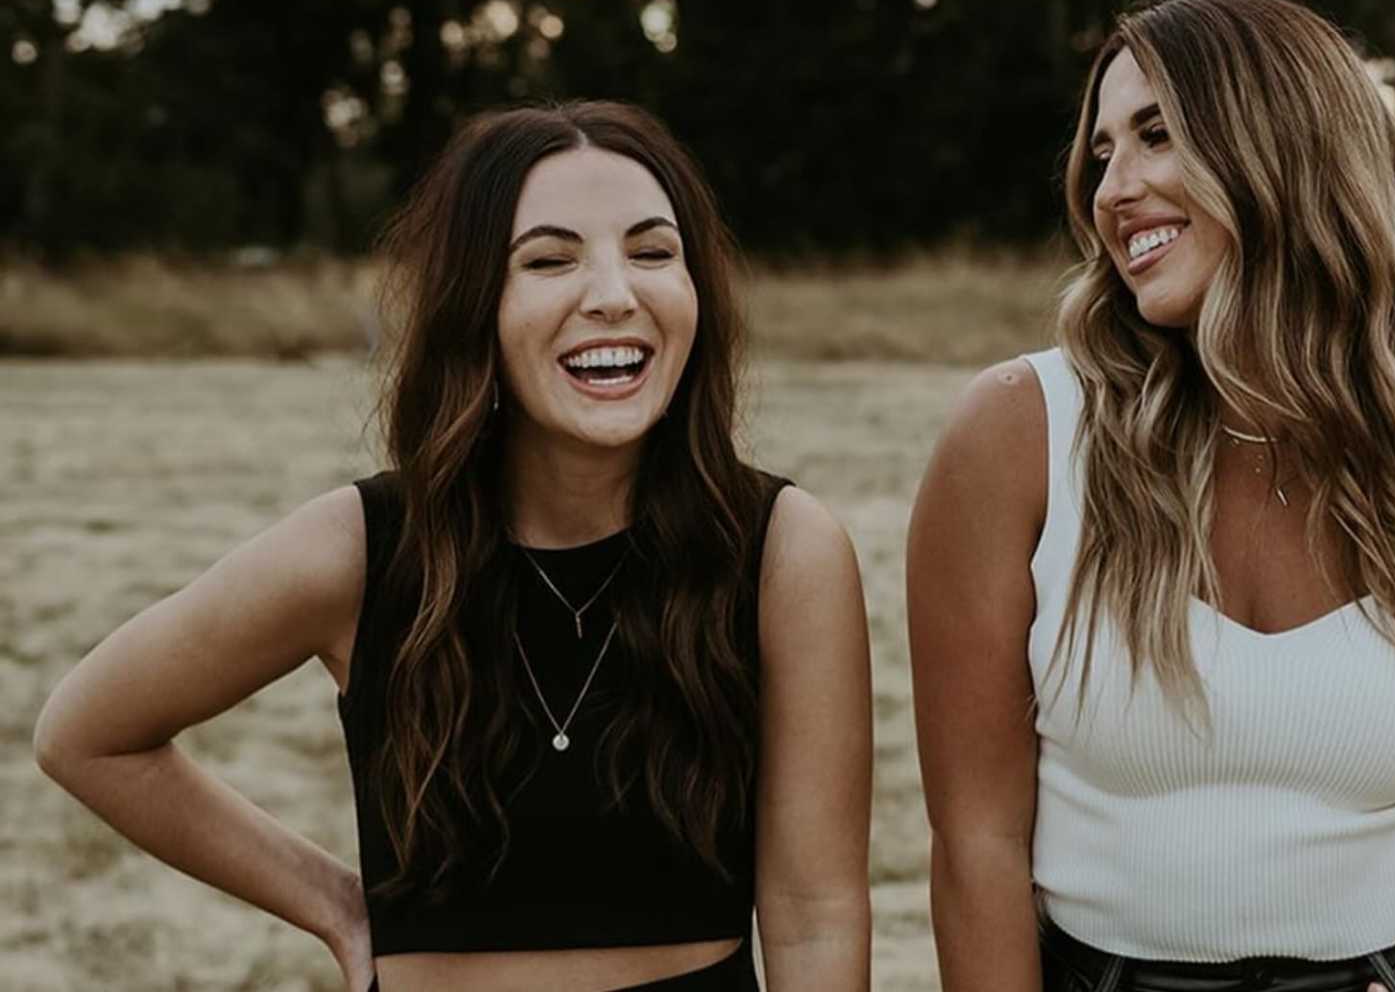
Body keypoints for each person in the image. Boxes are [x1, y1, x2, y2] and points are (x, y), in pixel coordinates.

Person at [35, 101, 873, 992]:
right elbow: (89, 736)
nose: (613, 294)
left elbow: (816, 916)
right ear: (475, 304)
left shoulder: (782, 551)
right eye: (549, 260)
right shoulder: (363, 549)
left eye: (653, 252)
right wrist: (337, 907)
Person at [908, 0, 1395, 992]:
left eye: (1156, 136)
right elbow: (977, 841)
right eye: (1101, 153)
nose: (1112, 190)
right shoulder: (1019, 436)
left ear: (1287, 149)